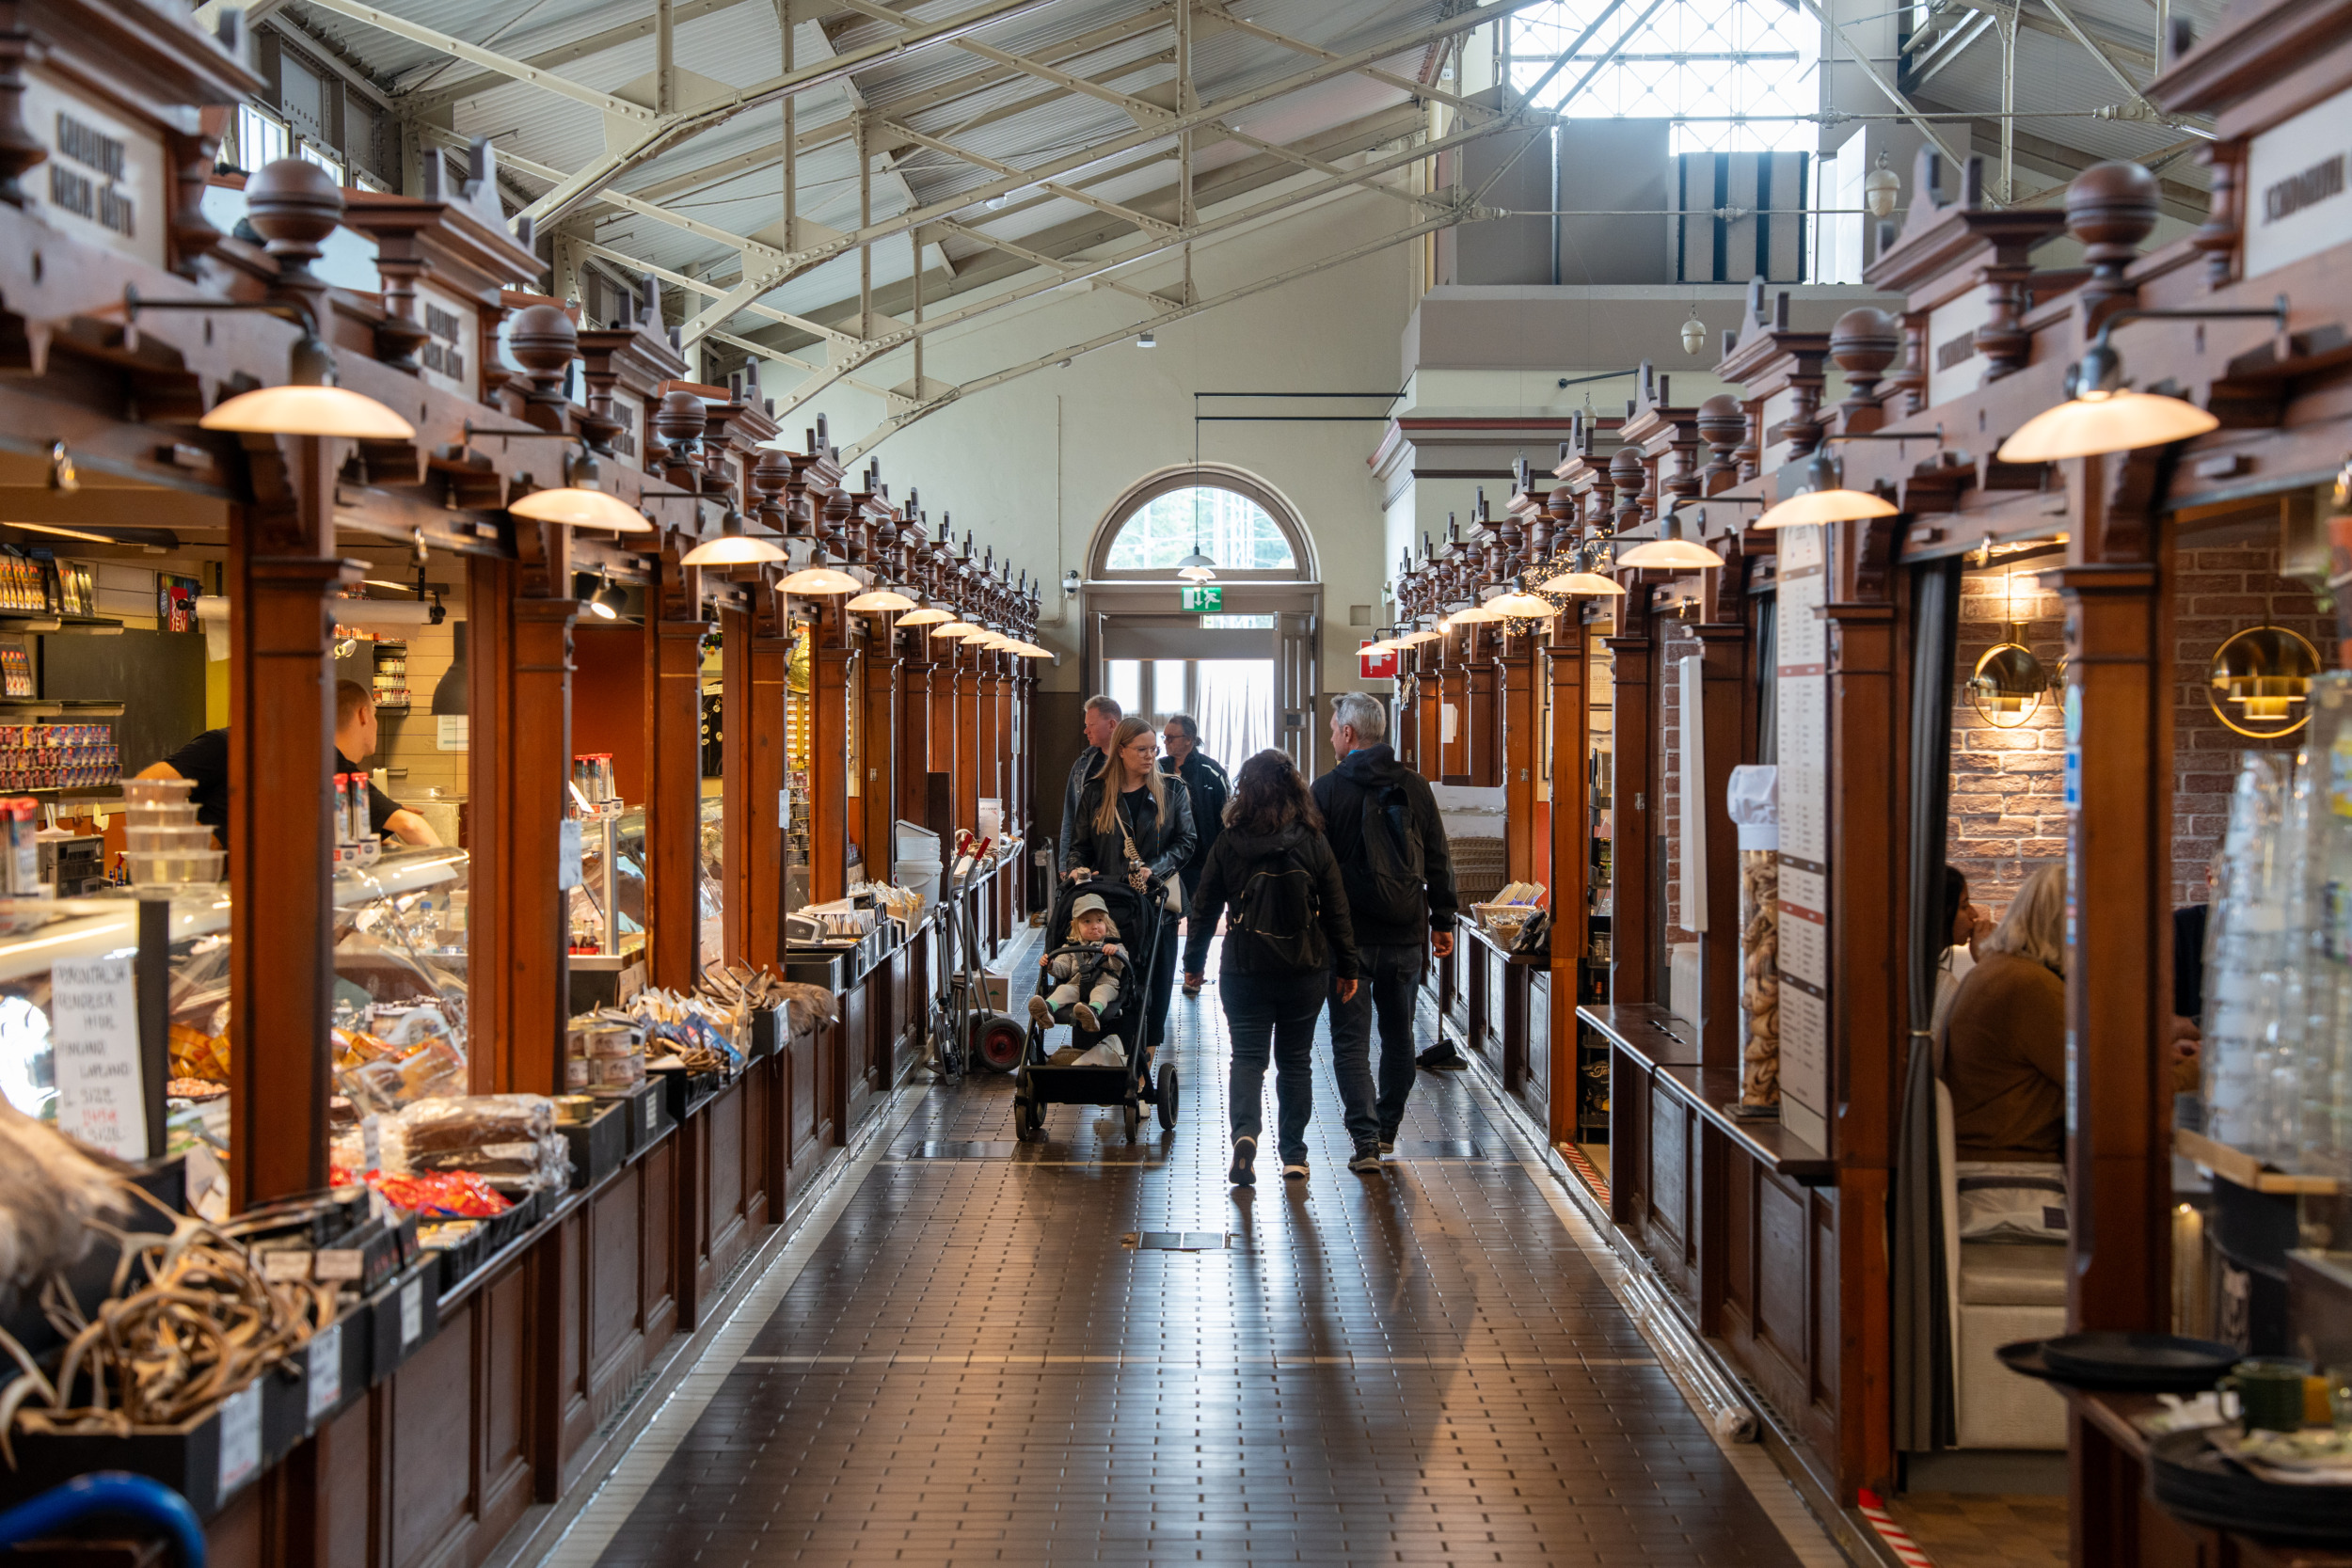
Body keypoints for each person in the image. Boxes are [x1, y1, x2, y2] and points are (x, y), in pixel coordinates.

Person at [1183, 750, 1359, 1185]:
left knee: (1247, 1058)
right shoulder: (1313, 840)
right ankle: (1294, 1155)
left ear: (1246, 790)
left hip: (1244, 969)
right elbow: (1337, 909)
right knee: (1296, 1062)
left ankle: (1245, 1136)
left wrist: (1193, 964)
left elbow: (1204, 908)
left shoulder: (1230, 842)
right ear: (1295, 789)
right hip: (1304, 969)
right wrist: (1348, 967)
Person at [1311, 691, 1457, 1158]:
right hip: (1405, 933)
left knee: (1351, 1042)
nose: (1332, 734)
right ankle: (1388, 1125)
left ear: (1349, 733)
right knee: (1400, 1035)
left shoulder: (1327, 790)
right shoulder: (1414, 786)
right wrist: (1442, 919)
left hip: (1348, 941)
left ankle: (1366, 1139)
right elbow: (1437, 855)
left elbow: (1315, 867)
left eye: (1334, 727)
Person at [141, 680, 441, 848]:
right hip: (214, 906)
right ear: (363, 715)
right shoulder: (234, 744)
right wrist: (199, 846)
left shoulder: (323, 764)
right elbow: (148, 789)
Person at [1065, 716, 1194, 1058]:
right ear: (1120, 750)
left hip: (1155, 906)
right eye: (1141, 749)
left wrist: (1156, 869)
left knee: (1154, 984)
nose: (1151, 755)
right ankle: (1106, 1057)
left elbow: (1187, 841)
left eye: (1154, 748)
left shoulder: (1172, 789)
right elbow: (1079, 845)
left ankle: (1144, 1061)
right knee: (1104, 979)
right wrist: (1077, 869)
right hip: (1108, 907)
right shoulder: (1095, 791)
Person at [1937, 863, 2066, 1162]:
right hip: (2011, 1174)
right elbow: (2097, 1083)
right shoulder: (2030, 984)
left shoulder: (2000, 970)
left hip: (1984, 1164)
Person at [1159, 712, 1230, 997]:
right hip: (1166, 862)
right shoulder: (1157, 769)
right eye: (1163, 737)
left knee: (1201, 919)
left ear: (1189, 740)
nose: (1165, 742)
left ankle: (1192, 971)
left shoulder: (1211, 772)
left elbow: (1225, 818)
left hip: (1203, 861)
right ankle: (1162, 972)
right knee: (1165, 919)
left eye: (1171, 737)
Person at [1030, 892, 1128, 1035]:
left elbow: (1119, 966)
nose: (1094, 926)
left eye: (1099, 920)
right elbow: (1063, 970)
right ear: (1075, 926)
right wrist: (1051, 965)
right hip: (1077, 985)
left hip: (1106, 985)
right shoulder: (1070, 948)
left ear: (1107, 923)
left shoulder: (1114, 946)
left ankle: (1093, 1012)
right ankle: (1047, 1010)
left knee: (1100, 992)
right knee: (1063, 989)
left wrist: (1114, 954)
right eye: (1087, 921)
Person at [1057, 694, 1121, 878]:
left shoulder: (1130, 762)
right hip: (1084, 858)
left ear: (1111, 725)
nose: (1086, 731)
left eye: (1091, 725)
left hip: (1117, 858)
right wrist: (1065, 863)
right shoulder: (1082, 764)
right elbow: (1071, 815)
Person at [1931, 864, 1992, 1033]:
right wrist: (1988, 961)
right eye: (1964, 906)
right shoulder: (1940, 984)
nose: (1974, 914)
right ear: (1941, 913)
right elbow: (1981, 1034)